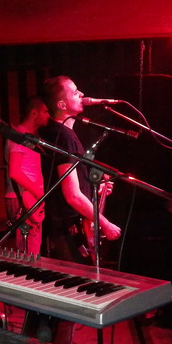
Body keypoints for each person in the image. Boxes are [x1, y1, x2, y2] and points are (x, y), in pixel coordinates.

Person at [38, 76, 121, 264]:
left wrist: (95, 187)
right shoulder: (64, 137)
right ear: (62, 104)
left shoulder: (63, 134)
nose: (82, 94)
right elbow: (72, 195)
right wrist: (105, 224)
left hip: (70, 228)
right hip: (68, 231)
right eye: (75, 92)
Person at [6, 96, 49, 255]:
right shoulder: (19, 136)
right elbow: (15, 172)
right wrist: (40, 194)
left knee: (31, 251)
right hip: (25, 199)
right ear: (34, 113)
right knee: (28, 253)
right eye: (45, 112)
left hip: (30, 198)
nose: (48, 116)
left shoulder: (29, 136)